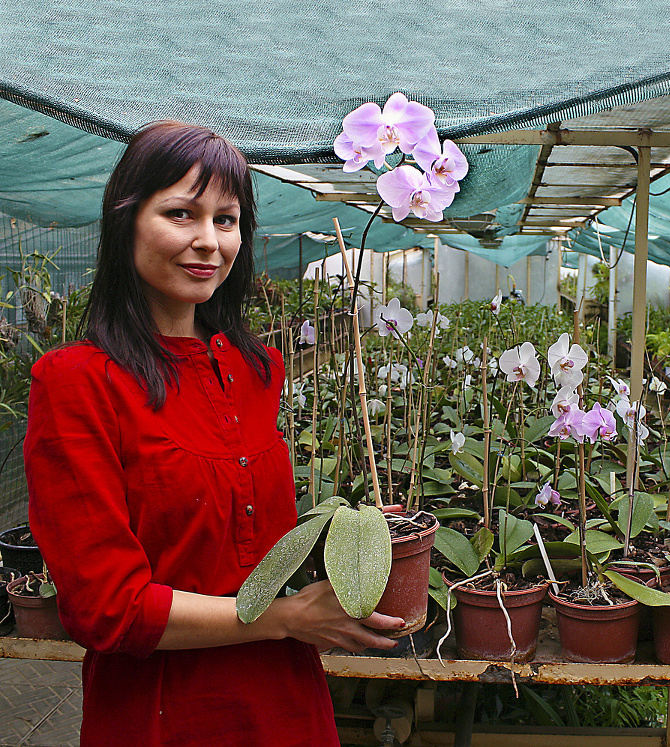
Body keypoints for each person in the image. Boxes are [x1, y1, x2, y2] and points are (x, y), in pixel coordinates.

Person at [23, 120, 404, 746]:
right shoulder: (77, 384)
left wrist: (351, 539)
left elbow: (243, 536)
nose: (208, 242)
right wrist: (282, 619)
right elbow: (107, 607)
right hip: (165, 715)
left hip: (288, 707)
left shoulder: (254, 369)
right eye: (180, 213)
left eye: (226, 220)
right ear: (126, 222)